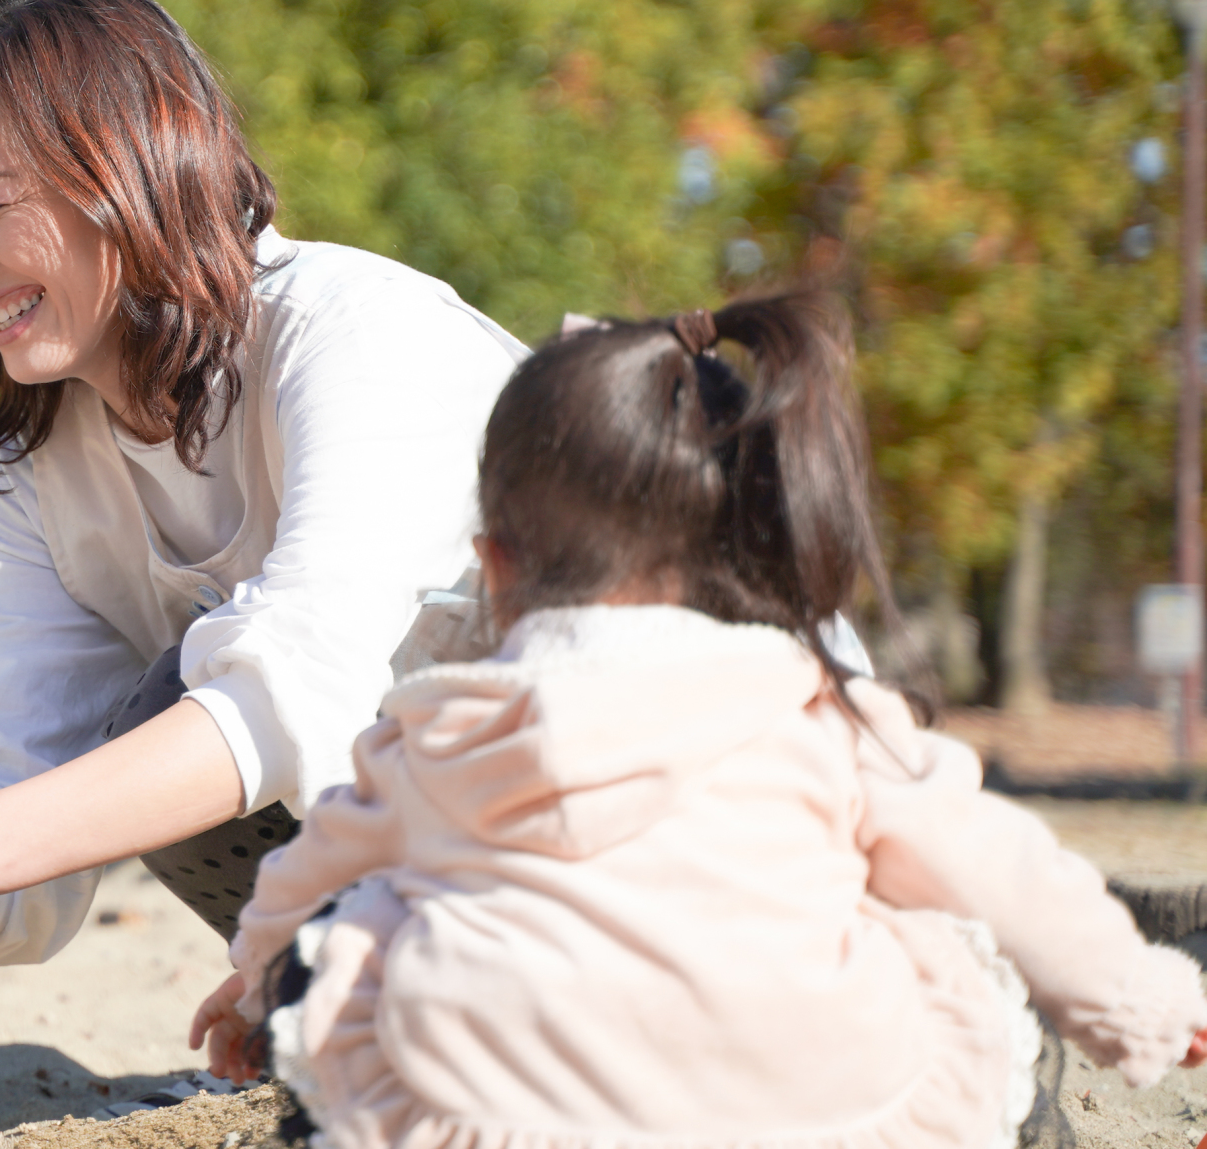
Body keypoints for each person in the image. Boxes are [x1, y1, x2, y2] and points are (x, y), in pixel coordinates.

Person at [0, 0, 527, 1143]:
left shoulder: (356, 331)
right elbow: (2, 781)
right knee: (155, 721)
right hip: (437, 867)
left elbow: (297, 687)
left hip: (672, 845)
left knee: (204, 707)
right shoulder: (31, 462)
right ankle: (370, 1006)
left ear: (132, 169)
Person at [190, 293, 1207, 1148]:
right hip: (809, 1107)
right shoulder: (820, 711)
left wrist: (252, 989)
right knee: (939, 920)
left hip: (504, 1110)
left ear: (492, 565)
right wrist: (1144, 1000)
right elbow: (1008, 874)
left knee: (351, 932)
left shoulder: (436, 729)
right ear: (762, 535)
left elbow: (301, 881)